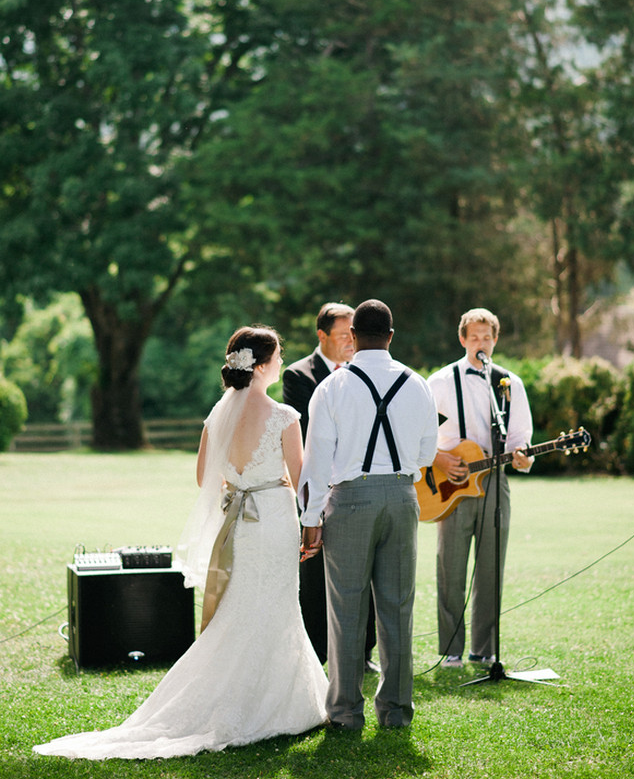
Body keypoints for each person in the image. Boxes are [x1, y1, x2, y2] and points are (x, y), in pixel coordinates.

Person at [34, 326, 327, 760]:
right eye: (279, 355)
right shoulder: (285, 416)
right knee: (277, 606)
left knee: (240, 607)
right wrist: (291, 498)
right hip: (274, 518)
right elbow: (303, 481)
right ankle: (276, 705)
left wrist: (240, 481)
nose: (283, 362)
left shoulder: (217, 414)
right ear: (263, 364)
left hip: (239, 523)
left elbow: (202, 478)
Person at [299, 300, 439, 730]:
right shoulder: (417, 384)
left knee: (346, 610)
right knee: (397, 607)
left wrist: (310, 519)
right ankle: (396, 711)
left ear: (354, 336)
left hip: (351, 499)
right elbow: (428, 453)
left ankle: (344, 712)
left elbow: (317, 457)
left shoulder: (333, 386)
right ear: (392, 337)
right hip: (401, 497)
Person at [427, 308, 533, 669]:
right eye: (474, 337)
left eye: (487, 337)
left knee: (491, 570)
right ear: (462, 339)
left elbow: (520, 439)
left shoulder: (510, 384)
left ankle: (484, 649)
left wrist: (523, 457)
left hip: (494, 483)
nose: (481, 343)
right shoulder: (439, 382)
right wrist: (439, 459)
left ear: (495, 340)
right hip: (450, 485)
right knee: (451, 569)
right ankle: (451, 650)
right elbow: (417, 434)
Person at [283, 303, 377, 671]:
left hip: (358, 483)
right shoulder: (299, 375)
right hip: (319, 485)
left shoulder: (363, 371)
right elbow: (310, 434)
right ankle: (319, 652)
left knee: (364, 567)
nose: (351, 342)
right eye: (343, 335)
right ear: (322, 336)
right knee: (315, 572)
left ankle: (364, 652)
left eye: (353, 334)